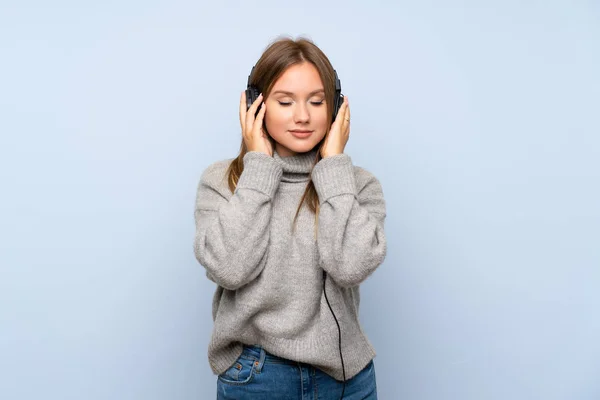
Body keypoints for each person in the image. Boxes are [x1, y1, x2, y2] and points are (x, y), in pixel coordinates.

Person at [193, 36, 387, 399]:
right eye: (285, 102)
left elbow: (349, 267)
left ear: (336, 107)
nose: (303, 116)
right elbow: (229, 269)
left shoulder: (356, 185)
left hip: (349, 379)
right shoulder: (224, 182)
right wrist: (260, 171)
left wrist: (332, 169)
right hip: (259, 378)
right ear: (256, 105)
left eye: (317, 101)